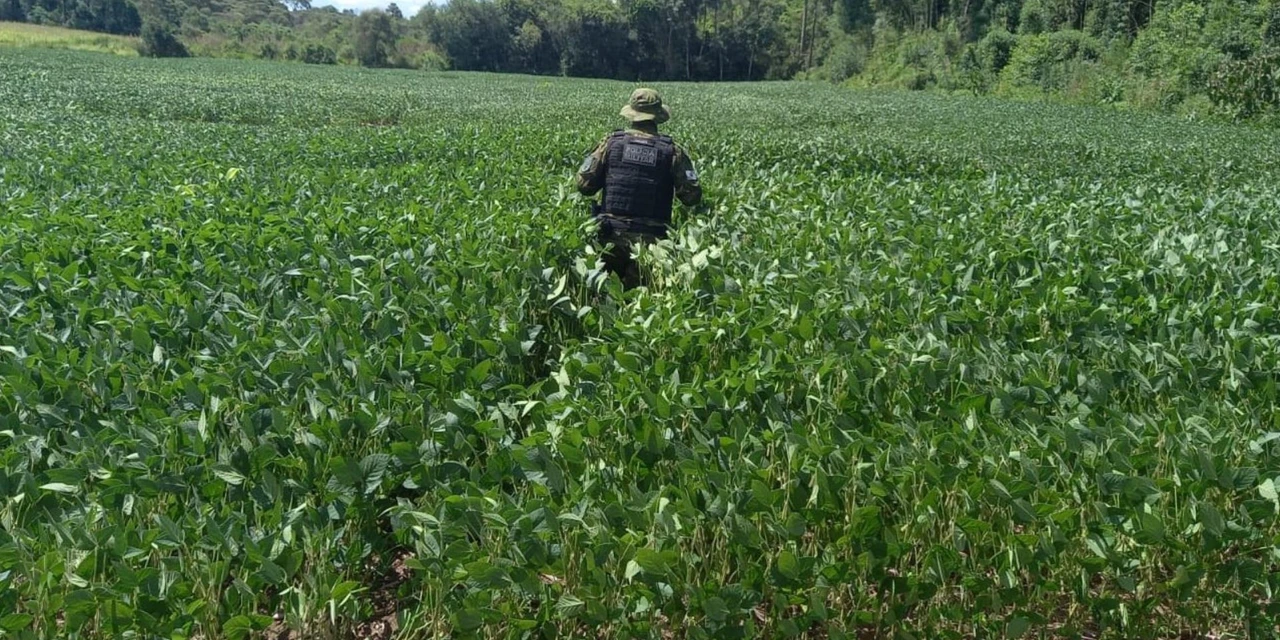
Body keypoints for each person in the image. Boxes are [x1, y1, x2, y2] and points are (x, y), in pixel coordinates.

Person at [576, 88, 703, 290]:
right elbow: (692, 197)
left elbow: (584, 186)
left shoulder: (610, 144)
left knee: (605, 299)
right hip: (651, 244)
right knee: (643, 304)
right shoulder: (672, 151)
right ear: (658, 117)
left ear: (632, 114)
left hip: (611, 237)